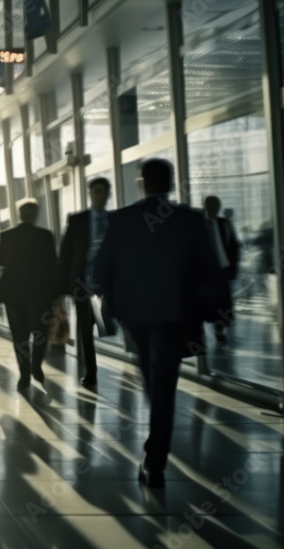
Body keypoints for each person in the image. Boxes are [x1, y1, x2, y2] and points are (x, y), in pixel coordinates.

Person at [94, 159, 228, 488]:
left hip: (135, 312)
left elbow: (102, 268)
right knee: (164, 379)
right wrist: (219, 311)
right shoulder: (191, 220)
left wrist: (110, 302)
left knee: (152, 376)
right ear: (169, 182)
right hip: (174, 311)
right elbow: (211, 269)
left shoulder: (121, 220)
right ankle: (156, 458)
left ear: (143, 183)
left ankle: (156, 447)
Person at [0, 200, 61, 390]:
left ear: (19, 215)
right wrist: (58, 291)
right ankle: (37, 366)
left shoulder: (7, 236)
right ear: (35, 215)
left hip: (13, 291)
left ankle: (24, 375)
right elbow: (52, 263)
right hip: (40, 291)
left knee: (19, 334)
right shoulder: (45, 236)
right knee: (40, 331)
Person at [59, 177, 112, 387]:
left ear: (108, 194)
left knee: (115, 323)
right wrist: (62, 290)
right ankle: (91, 372)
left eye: (103, 192)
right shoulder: (78, 220)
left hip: (108, 285)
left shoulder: (114, 219)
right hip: (83, 285)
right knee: (86, 330)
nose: (100, 196)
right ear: (90, 194)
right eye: (96, 191)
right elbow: (65, 255)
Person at [203, 196, 240, 344]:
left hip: (224, 269)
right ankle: (217, 329)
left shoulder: (225, 223)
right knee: (213, 301)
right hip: (208, 272)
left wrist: (233, 266)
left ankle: (221, 328)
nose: (213, 208)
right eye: (210, 205)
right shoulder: (200, 225)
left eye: (216, 205)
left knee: (224, 302)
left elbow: (234, 245)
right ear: (205, 206)